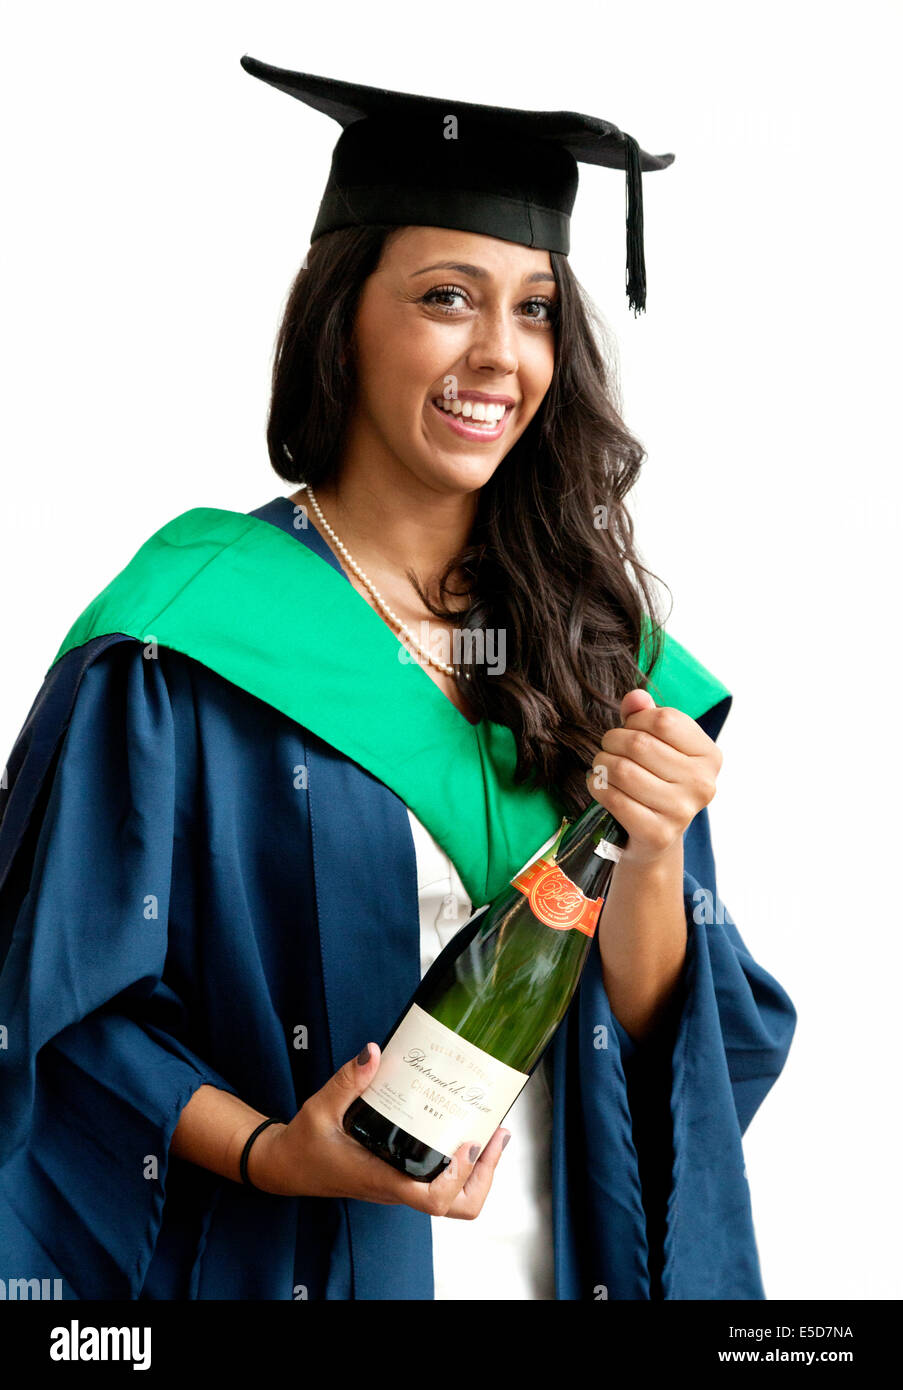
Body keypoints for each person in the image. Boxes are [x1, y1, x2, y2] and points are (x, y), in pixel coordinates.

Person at [0, 56, 796, 1301]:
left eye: (535, 308)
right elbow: (68, 1004)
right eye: (446, 296)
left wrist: (650, 849)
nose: (500, 355)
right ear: (343, 314)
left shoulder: (595, 645)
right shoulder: (189, 634)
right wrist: (272, 1152)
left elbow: (663, 1046)